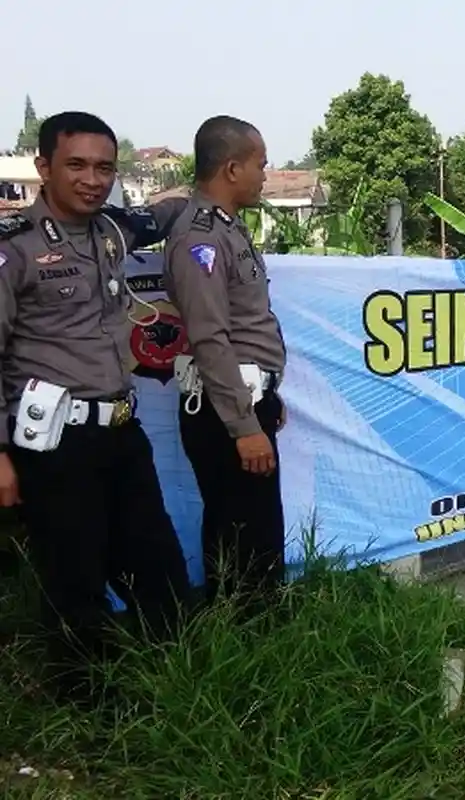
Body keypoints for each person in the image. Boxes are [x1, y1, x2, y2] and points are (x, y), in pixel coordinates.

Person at [0, 112, 191, 698]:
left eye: (104, 166)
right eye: (75, 165)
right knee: (74, 574)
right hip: (58, 443)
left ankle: (174, 679)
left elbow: (166, 211)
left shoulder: (111, 231)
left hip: (121, 431)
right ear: (43, 168)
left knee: (156, 563)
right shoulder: (17, 252)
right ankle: (87, 702)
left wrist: (196, 189)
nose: (92, 178)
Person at [163, 115, 287, 603]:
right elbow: (210, 338)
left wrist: (265, 399)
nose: (264, 175)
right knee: (241, 537)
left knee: (256, 533)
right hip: (224, 413)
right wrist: (244, 426)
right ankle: (242, 637)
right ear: (232, 168)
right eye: (260, 164)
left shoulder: (227, 229)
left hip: (243, 399)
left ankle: (260, 633)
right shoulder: (201, 239)